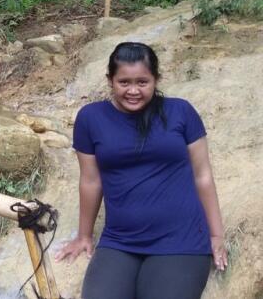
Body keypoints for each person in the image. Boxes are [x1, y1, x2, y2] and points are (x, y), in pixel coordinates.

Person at [55, 42, 226, 299]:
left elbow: (202, 176)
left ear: (156, 79)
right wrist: (84, 235)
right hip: (120, 241)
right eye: (124, 82)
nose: (133, 90)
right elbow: (91, 181)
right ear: (110, 80)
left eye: (142, 82)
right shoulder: (91, 118)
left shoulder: (180, 112)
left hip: (180, 241)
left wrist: (216, 234)